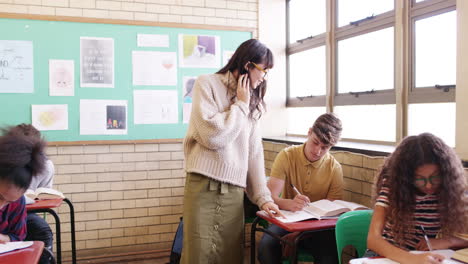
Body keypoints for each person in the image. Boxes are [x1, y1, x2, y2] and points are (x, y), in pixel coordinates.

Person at [181, 39, 284, 264]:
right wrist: (240, 105)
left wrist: (264, 199)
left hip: (234, 195)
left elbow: (254, 154)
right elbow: (211, 136)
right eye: (263, 70)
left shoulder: (253, 102)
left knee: (230, 256)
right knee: (197, 256)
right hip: (202, 188)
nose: (263, 77)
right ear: (248, 65)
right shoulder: (206, 84)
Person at [367, 133, 468, 264]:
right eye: (420, 179)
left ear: (445, 172)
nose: (429, 185)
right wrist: (413, 259)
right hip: (387, 256)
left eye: (435, 177)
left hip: (424, 256)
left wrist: (451, 241)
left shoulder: (451, 187)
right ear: (407, 177)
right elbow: (373, 239)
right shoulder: (393, 185)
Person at [257, 113, 344, 264]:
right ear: (309, 132)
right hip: (287, 219)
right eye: (315, 142)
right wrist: (289, 204)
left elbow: (331, 213)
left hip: (318, 228)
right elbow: (270, 198)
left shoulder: (334, 168)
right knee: (266, 245)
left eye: (325, 147)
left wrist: (300, 233)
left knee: (328, 252)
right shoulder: (287, 156)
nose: (317, 151)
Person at [5, 124, 55, 264]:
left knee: (40, 228)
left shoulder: (45, 165)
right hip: (10, 208)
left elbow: (45, 192)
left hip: (23, 210)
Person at [0, 126, 47, 244]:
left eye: (8, 202)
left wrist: (4, 239)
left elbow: (17, 236)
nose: (1, 206)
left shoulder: (17, 202)